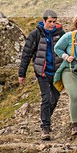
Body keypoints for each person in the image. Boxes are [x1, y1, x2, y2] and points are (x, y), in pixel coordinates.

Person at [18, 9, 65, 141]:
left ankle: (46, 119)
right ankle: (45, 127)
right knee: (46, 98)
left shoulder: (61, 34)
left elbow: (68, 49)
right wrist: (22, 74)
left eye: (54, 22)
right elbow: (26, 54)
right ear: (43, 21)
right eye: (50, 21)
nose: (52, 24)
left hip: (57, 72)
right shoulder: (35, 34)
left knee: (55, 98)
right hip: (42, 72)